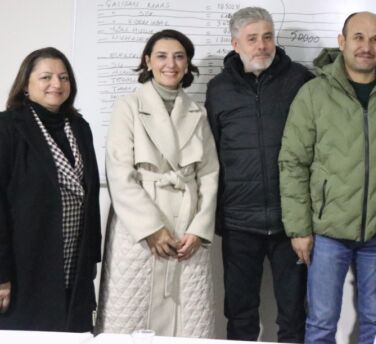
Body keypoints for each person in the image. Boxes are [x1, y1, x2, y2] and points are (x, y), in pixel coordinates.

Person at [279, 11, 376, 344]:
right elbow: (293, 162)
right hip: (327, 233)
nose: (366, 47)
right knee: (321, 323)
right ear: (341, 42)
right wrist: (299, 229)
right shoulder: (313, 94)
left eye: (375, 39)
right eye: (358, 37)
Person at [96, 29, 219, 337]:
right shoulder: (128, 106)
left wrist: (199, 229)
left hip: (187, 230)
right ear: (148, 61)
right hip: (138, 229)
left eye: (179, 57)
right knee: (130, 320)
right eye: (162, 56)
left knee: (188, 324)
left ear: (187, 64)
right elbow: (119, 173)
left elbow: (209, 174)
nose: (171, 64)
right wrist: (151, 228)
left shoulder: (198, 113)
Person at [205, 7, 315, 342]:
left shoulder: (300, 80)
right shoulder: (218, 89)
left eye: (268, 37)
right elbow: (211, 154)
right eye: (252, 39)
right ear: (235, 43)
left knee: (294, 315)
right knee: (240, 316)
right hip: (239, 223)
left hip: (290, 223)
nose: (262, 46)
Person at [0, 48, 101, 332]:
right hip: (25, 264)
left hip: (74, 265)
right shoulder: (6, 127)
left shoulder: (80, 127)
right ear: (26, 84)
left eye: (63, 77)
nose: (56, 84)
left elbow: (91, 196)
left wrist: (91, 260)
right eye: (46, 77)